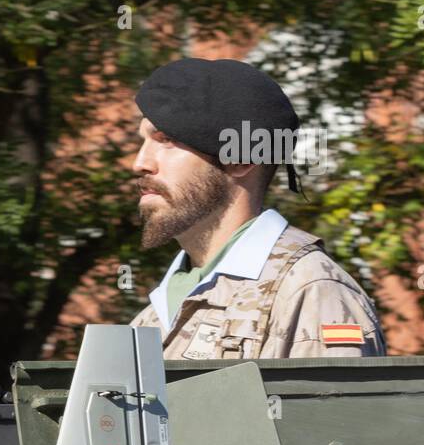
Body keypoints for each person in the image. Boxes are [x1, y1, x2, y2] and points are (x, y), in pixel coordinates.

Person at [128, 57, 386, 359]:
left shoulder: (311, 292)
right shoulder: (153, 315)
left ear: (240, 158)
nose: (140, 163)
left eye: (167, 140)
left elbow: (333, 406)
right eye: (143, 141)